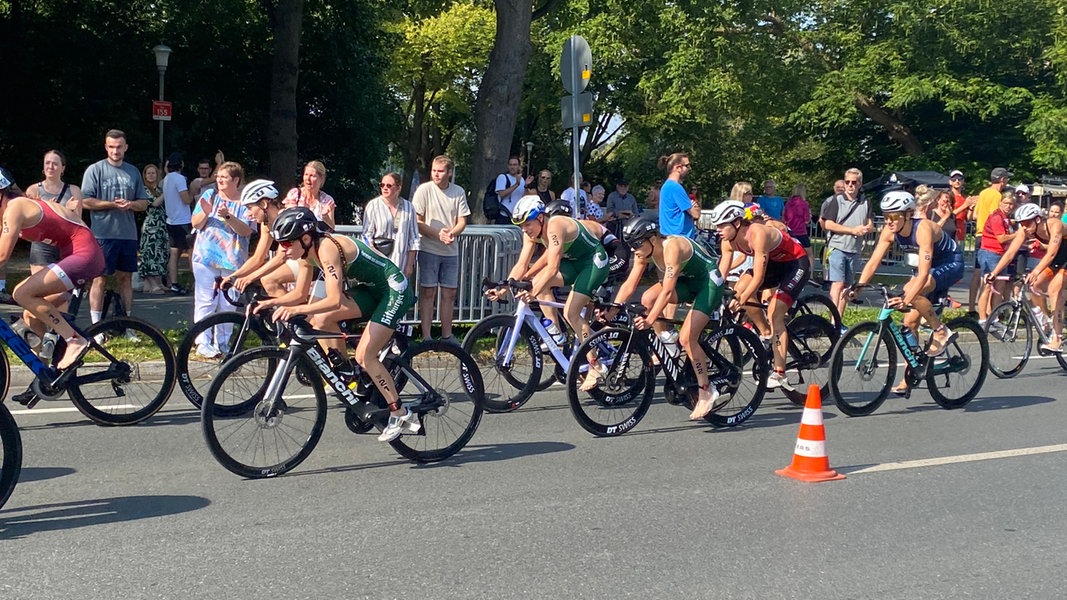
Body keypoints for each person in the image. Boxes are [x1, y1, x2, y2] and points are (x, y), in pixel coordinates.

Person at [256, 208, 416, 441]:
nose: (282, 249)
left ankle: (400, 412)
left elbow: (333, 300)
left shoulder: (327, 249)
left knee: (365, 356)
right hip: (372, 289)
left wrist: (296, 310)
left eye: (287, 243)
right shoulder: (305, 253)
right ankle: (351, 374)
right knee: (320, 319)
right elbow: (300, 293)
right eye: (281, 243)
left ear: (306, 238)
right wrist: (268, 303)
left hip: (394, 290)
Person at [610, 214, 728, 419]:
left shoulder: (671, 247)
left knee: (688, 338)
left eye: (637, 244)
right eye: (630, 245)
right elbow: (630, 284)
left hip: (708, 283)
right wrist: (614, 307)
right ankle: (668, 341)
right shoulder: (643, 253)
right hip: (688, 282)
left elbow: (666, 292)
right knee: (647, 298)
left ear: (652, 239)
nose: (633, 249)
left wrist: (649, 320)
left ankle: (706, 390)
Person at [849, 191, 964, 393]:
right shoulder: (889, 231)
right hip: (927, 268)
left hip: (950, 263)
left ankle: (941, 331)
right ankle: (910, 374)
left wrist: (906, 299)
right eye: (885, 216)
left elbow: (923, 275)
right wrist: (859, 286)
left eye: (894, 216)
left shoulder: (923, 229)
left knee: (912, 290)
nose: (889, 221)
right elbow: (873, 261)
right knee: (909, 322)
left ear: (908, 214)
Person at [490, 197, 609, 391]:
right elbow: (522, 265)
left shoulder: (555, 225)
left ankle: (596, 365)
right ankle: (556, 332)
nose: (524, 230)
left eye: (527, 224)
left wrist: (532, 293)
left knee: (571, 311)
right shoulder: (530, 232)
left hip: (594, 261)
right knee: (537, 282)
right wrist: (505, 286)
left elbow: (552, 267)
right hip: (575, 263)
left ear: (540, 218)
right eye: (520, 226)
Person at [0, 167, 104, 373]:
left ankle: (74, 340)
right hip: (74, 256)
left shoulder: (15, 208)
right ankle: (45, 374)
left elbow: (2, 256)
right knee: (31, 315)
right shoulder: (7, 211)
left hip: (85, 254)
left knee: (22, 293)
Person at [711, 200, 810, 390]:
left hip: (795, 264)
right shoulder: (727, 241)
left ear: (737, 223)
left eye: (722, 225)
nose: (718, 230)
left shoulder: (756, 233)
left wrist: (739, 301)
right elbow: (721, 275)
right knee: (739, 289)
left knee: (774, 312)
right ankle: (766, 334)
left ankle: (780, 372)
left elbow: (758, 277)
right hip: (775, 265)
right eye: (717, 226)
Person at [79, 129, 150, 324]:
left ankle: (128, 324)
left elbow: (143, 203)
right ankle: (96, 325)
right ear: (105, 147)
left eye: (119, 147)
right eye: (111, 147)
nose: (115, 150)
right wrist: (111, 204)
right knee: (99, 278)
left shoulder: (133, 171)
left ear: (125, 147)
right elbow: (85, 201)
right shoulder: (95, 170)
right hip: (103, 233)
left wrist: (130, 205)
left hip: (128, 235)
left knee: (125, 278)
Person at [189, 161, 255, 358]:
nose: (219, 180)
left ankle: (223, 344)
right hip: (205, 256)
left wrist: (228, 217)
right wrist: (206, 212)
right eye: (218, 177)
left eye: (224, 178)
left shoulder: (245, 203)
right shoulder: (209, 196)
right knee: (206, 300)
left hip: (233, 260)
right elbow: (195, 224)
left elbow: (246, 231)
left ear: (236, 180)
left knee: (228, 303)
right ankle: (202, 342)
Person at [983, 203, 1059, 350]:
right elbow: (1010, 253)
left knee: (1055, 289)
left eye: (1025, 223)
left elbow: (1052, 254)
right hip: (1052, 258)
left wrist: (1036, 271)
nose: (1023, 227)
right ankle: (1046, 320)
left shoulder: (1053, 225)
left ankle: (1056, 327)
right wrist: (994, 273)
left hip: (1061, 254)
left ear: (1037, 220)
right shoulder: (1024, 232)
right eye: (1020, 224)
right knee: (1034, 285)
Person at [412, 155, 469, 344]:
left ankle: (447, 335)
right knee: (428, 292)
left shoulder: (458, 191)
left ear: (449, 173)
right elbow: (417, 221)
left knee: (449, 293)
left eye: (440, 171)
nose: (436, 174)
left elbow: (462, 220)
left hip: (451, 250)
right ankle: (427, 336)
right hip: (429, 248)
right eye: (434, 171)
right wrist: (438, 234)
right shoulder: (424, 190)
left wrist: (452, 233)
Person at [820, 168, 872, 323]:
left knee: (847, 287)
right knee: (837, 283)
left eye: (854, 182)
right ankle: (832, 320)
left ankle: (838, 321)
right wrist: (851, 230)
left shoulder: (865, 201)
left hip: (854, 249)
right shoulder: (836, 200)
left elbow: (869, 222)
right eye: (847, 182)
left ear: (860, 184)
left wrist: (866, 228)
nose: (850, 185)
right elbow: (828, 223)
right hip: (837, 246)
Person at [24, 150, 83, 278]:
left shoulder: (73, 190)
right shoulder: (33, 190)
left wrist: (53, 210)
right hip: (41, 248)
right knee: (41, 289)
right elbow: (29, 224)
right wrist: (63, 209)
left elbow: (78, 223)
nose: (50, 167)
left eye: (55, 164)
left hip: (65, 247)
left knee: (62, 294)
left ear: (63, 168)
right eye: (47, 163)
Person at [226, 179, 288, 293]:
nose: (248, 214)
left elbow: (281, 258)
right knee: (268, 280)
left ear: (264, 204)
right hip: (304, 262)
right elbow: (258, 258)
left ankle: (297, 310)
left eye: (250, 207)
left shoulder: (287, 220)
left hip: (320, 262)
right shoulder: (266, 224)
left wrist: (250, 277)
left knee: (269, 280)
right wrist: (232, 277)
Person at [969, 167, 1012, 314]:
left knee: (979, 275)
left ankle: (972, 308)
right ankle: (989, 313)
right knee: (993, 280)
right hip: (991, 238)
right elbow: (996, 216)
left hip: (979, 235)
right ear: (1002, 179)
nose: (1007, 182)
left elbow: (975, 215)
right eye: (1006, 179)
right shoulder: (997, 196)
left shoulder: (983, 193)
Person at [362, 172, 420, 278]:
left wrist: (410, 264)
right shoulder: (373, 205)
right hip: (379, 261)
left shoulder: (409, 207)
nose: (385, 188)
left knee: (399, 293)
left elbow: (414, 238)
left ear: (398, 188)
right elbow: (367, 235)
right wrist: (374, 258)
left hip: (401, 262)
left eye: (389, 185)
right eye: (382, 185)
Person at [976, 192, 1016, 326]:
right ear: (1000, 203)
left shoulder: (1005, 218)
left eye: (1011, 204)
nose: (1009, 206)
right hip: (990, 253)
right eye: (1006, 203)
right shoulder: (996, 217)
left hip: (1001, 255)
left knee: (1000, 286)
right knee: (988, 286)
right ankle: (982, 318)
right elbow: (1001, 238)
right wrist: (1018, 235)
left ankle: (994, 317)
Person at [162, 152, 193, 295]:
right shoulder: (180, 179)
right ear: (181, 164)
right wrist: (192, 192)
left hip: (171, 220)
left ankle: (174, 283)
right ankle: (197, 281)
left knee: (174, 252)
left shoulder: (167, 179)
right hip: (183, 220)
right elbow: (186, 199)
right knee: (191, 251)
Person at [138, 163, 169, 294]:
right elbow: (155, 203)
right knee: (149, 254)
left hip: (162, 225)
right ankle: (152, 283)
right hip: (151, 226)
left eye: (153, 173)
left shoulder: (160, 189)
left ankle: (156, 283)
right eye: (148, 173)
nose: (151, 175)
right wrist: (166, 191)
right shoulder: (144, 190)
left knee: (160, 254)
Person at [284, 160, 336, 230]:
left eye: (312, 176)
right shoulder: (295, 194)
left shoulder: (327, 200)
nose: (308, 179)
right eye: (306, 174)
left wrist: (325, 216)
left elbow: (332, 227)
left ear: (321, 179)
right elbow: (287, 218)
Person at [657, 153, 699, 238]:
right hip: (680, 240)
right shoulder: (675, 187)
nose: (689, 168)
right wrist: (697, 206)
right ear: (677, 167)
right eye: (687, 165)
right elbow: (696, 214)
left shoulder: (666, 186)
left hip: (670, 237)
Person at [783, 183, 813, 270]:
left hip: (790, 232)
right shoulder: (804, 204)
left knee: (791, 254)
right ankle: (810, 275)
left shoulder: (788, 203)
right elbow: (806, 219)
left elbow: (784, 217)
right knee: (809, 254)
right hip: (801, 231)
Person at [494, 156, 534, 222]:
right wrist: (516, 185)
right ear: (508, 166)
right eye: (510, 165)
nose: (512, 167)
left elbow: (524, 197)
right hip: (505, 215)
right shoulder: (502, 177)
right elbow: (502, 194)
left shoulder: (522, 180)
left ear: (518, 166)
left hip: (517, 216)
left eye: (515, 165)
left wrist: (526, 185)